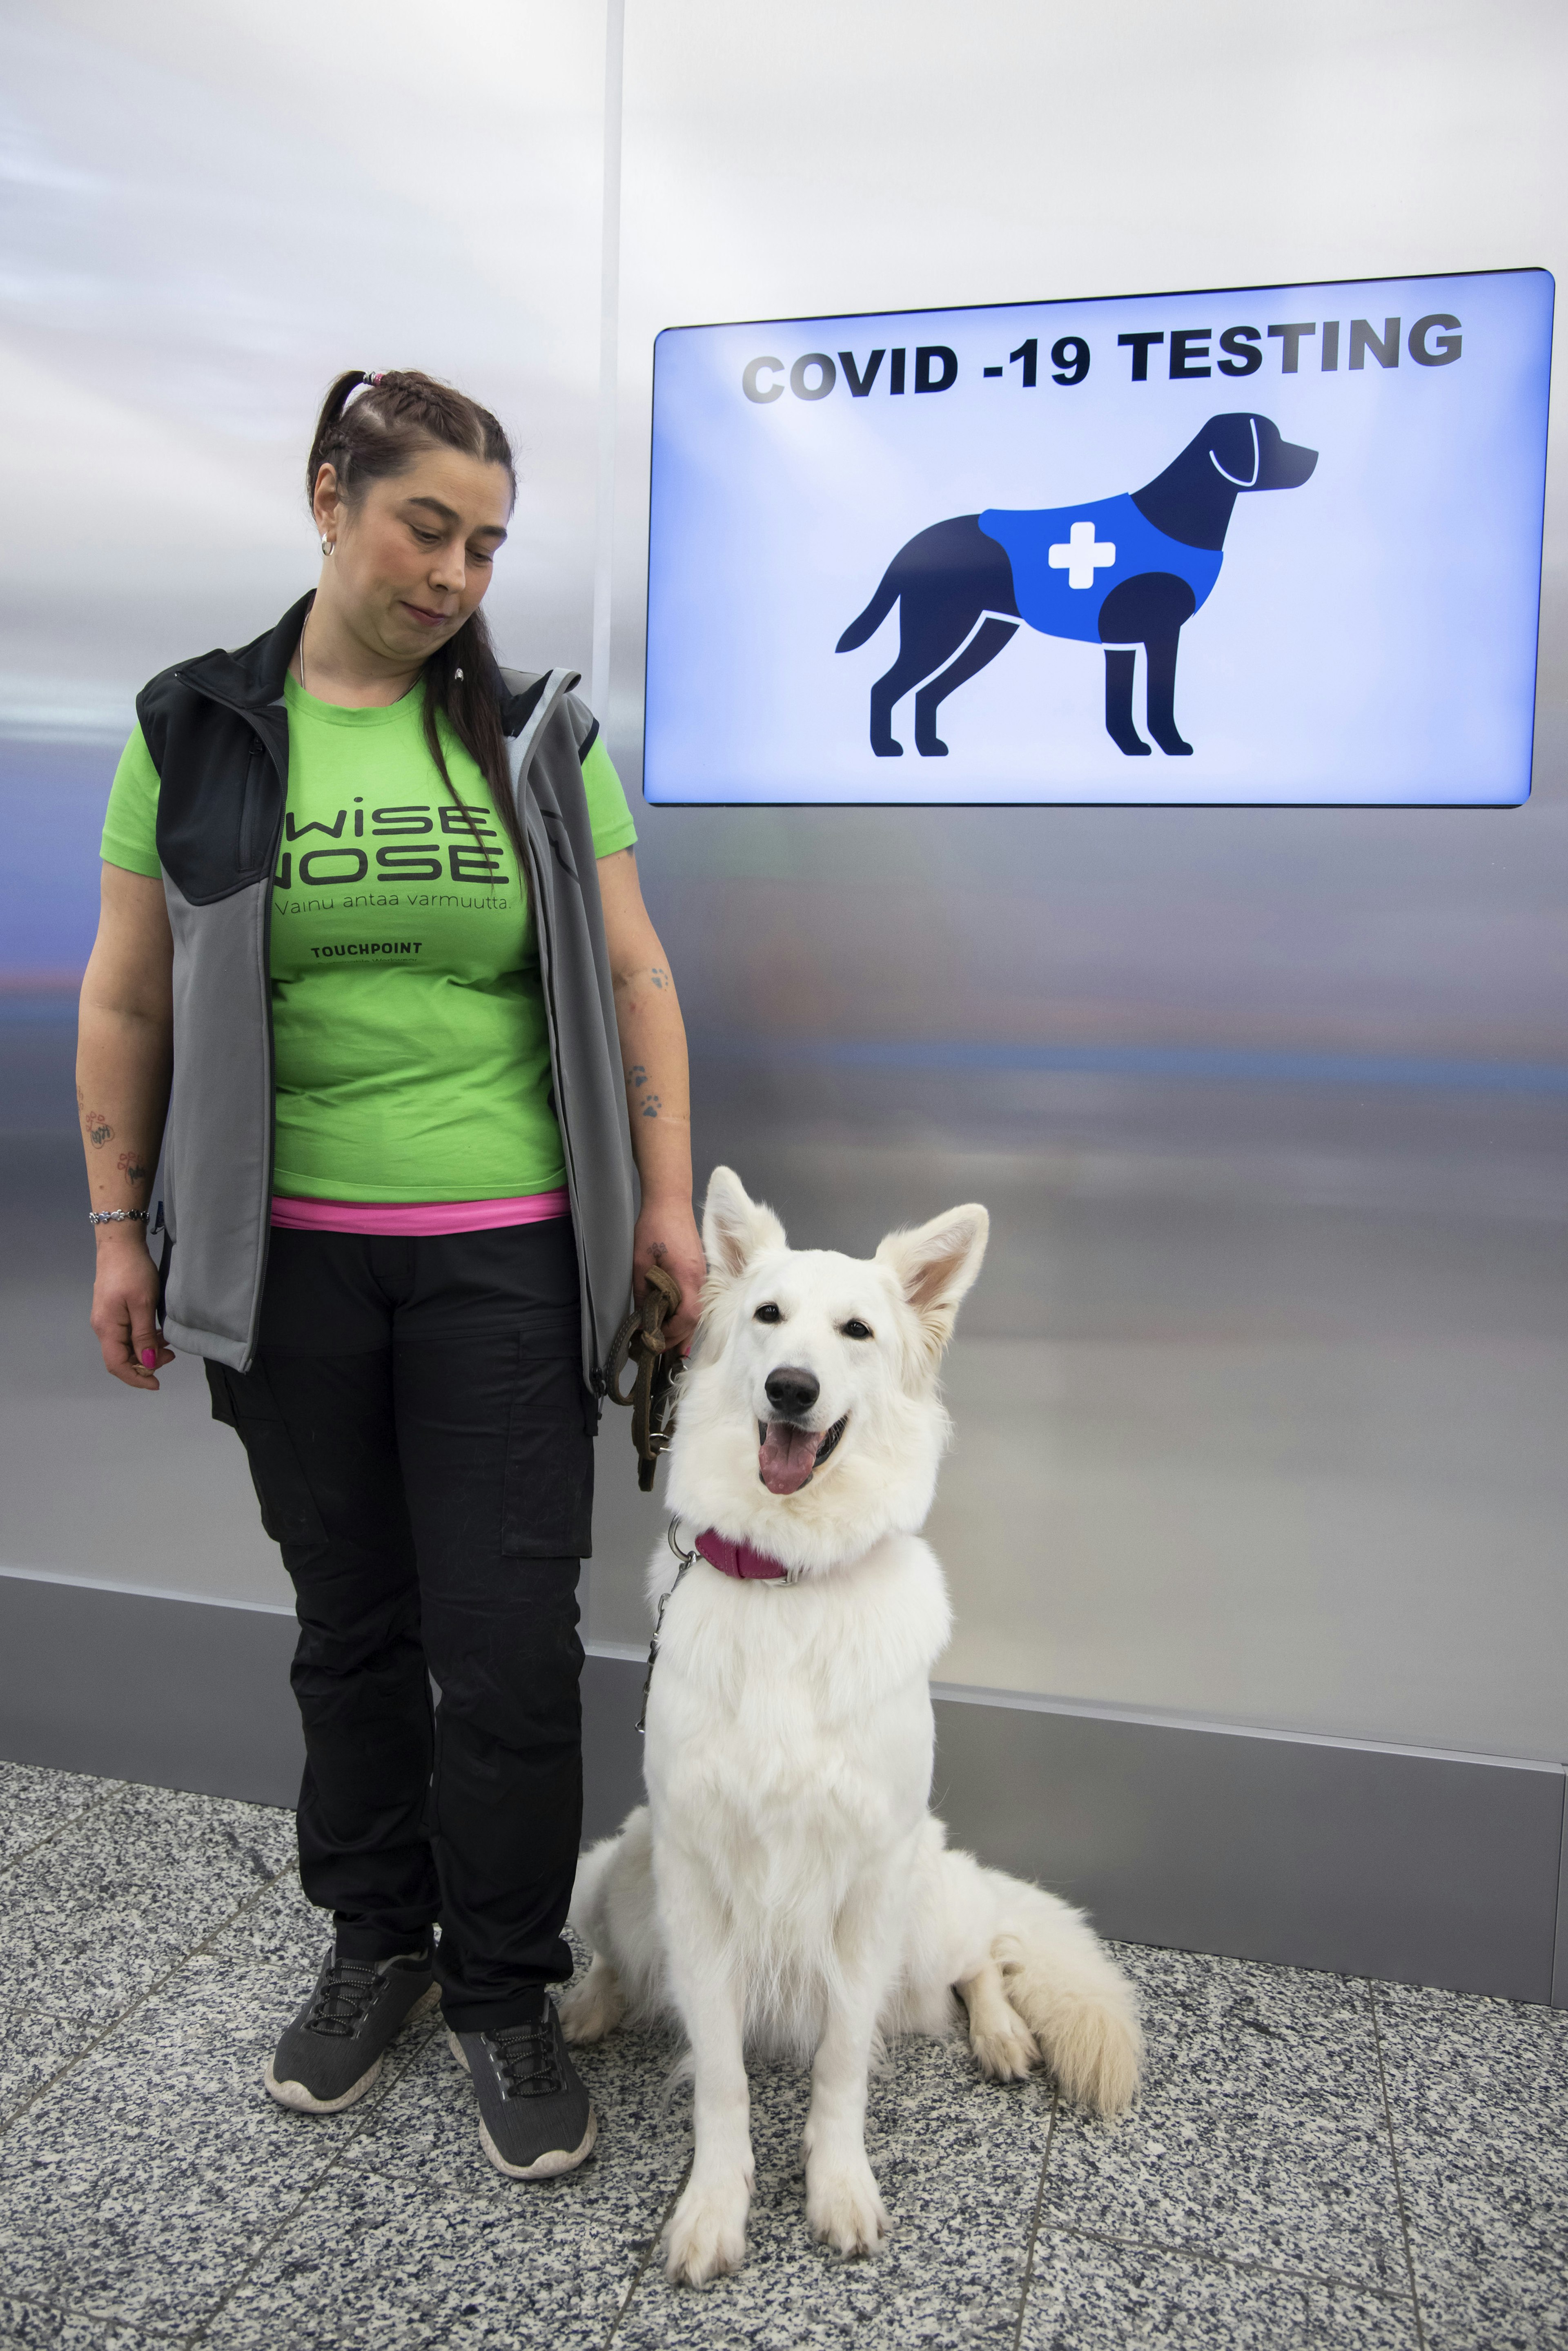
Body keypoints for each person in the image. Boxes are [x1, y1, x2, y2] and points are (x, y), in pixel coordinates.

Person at [76, 369, 705, 2181]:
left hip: (504, 1261)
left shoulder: (537, 740)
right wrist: (121, 1227)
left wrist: (667, 1208)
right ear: (331, 497)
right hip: (287, 1274)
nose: (455, 571)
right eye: (427, 525)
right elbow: (125, 997)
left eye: (488, 543)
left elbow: (639, 974)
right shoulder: (195, 728)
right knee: (353, 1630)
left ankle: (507, 1988)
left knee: (504, 1652)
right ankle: (380, 1949)